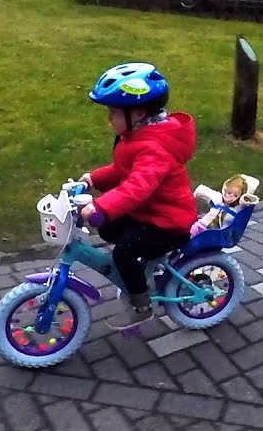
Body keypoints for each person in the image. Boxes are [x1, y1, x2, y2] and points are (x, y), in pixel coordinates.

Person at [78, 62, 197, 324]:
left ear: (139, 113)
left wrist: (100, 208)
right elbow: (123, 170)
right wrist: (93, 179)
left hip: (169, 223)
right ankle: (145, 270)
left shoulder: (154, 148)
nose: (109, 118)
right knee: (108, 229)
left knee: (124, 252)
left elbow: (136, 187)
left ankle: (141, 305)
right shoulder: (138, 137)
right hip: (150, 214)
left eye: (113, 112)